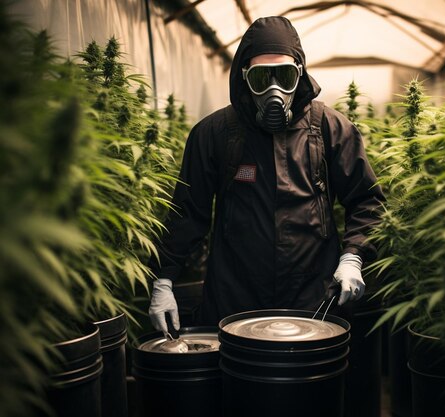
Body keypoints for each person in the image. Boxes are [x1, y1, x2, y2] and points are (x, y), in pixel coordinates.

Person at [148, 16, 385, 332]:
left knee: (311, 378)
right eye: (262, 78)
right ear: (244, 76)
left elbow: (366, 200)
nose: (274, 90)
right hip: (235, 300)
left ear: (299, 74)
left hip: (313, 299)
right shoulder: (215, 134)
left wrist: (353, 256)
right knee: (240, 378)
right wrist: (163, 278)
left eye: (284, 76)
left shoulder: (330, 128)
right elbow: (188, 212)